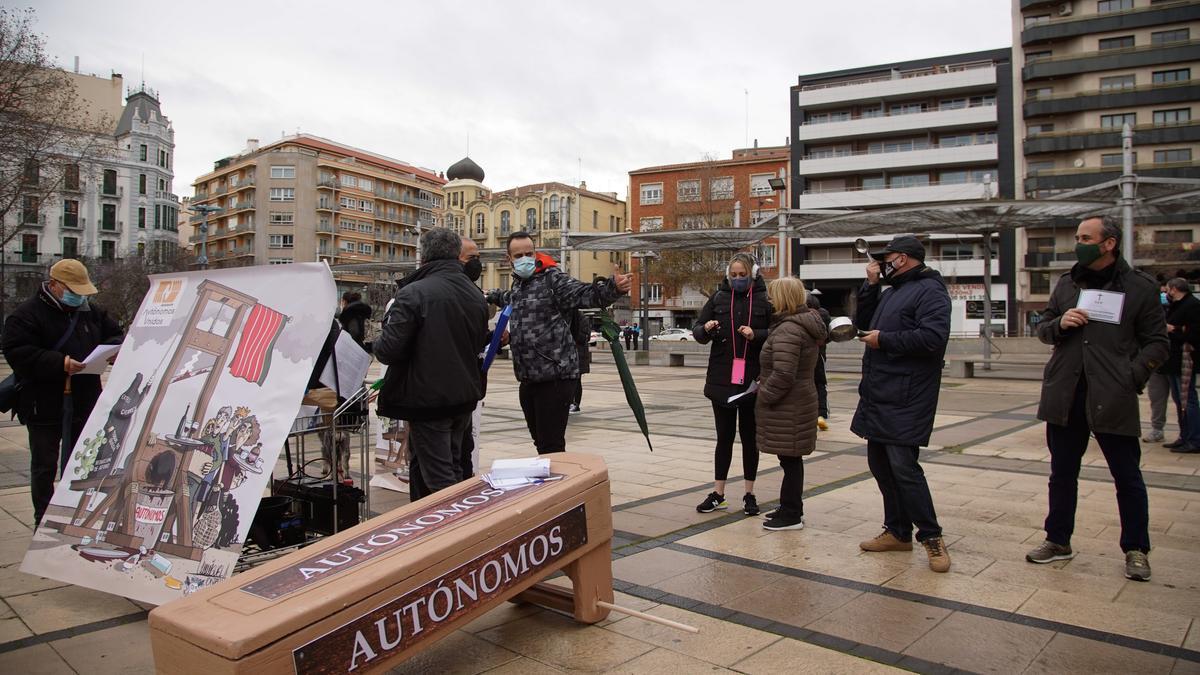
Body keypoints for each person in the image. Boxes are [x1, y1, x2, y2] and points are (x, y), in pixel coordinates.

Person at [1028, 215, 1167, 582]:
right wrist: (1059, 324)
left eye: (1085, 237)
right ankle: (1058, 540)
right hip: (1066, 393)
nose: (1078, 242)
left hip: (1113, 395)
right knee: (1061, 473)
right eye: (1076, 236)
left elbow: (1158, 343)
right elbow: (1043, 328)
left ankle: (1136, 548)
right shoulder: (1066, 284)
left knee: (1127, 476)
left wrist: (1131, 377)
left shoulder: (1140, 288)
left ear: (1109, 243)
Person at [852, 235, 952, 573]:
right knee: (880, 464)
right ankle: (897, 531)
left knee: (904, 468)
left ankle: (932, 537)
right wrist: (870, 286)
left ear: (904, 259)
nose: (883, 263)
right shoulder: (892, 291)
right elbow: (864, 325)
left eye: (888, 258)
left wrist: (886, 340)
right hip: (880, 391)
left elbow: (933, 339)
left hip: (908, 395)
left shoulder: (930, 291)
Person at [2, 259, 123, 526]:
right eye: (73, 290)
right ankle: (43, 520)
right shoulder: (26, 314)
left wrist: (114, 351)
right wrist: (60, 363)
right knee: (44, 466)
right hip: (43, 404)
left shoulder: (90, 311)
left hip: (84, 400)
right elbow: (17, 352)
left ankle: (75, 515)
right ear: (54, 285)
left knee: (82, 461)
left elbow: (115, 335)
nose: (79, 297)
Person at [486, 231, 630, 454]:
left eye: (529, 253)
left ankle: (559, 484)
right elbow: (509, 300)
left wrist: (613, 288)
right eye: (518, 255)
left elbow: (584, 293)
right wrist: (490, 296)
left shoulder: (552, 279)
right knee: (540, 443)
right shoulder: (518, 286)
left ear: (536, 253)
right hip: (528, 377)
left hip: (555, 377)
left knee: (550, 446)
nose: (524, 259)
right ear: (509, 259)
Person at [375, 228, 488, 499]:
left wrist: (379, 338)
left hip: (427, 400)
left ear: (424, 255)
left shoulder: (413, 293)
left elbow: (388, 350)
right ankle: (425, 525)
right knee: (451, 465)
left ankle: (457, 531)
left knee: (440, 479)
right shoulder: (475, 294)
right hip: (462, 396)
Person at [693, 253, 772, 516]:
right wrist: (707, 329)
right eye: (734, 275)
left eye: (743, 275)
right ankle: (719, 493)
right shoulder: (718, 298)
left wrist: (756, 334)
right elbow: (698, 331)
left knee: (750, 438)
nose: (738, 279)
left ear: (753, 274)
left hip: (752, 379)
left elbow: (777, 331)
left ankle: (749, 493)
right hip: (722, 379)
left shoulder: (765, 298)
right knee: (723, 438)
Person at [756, 277, 828, 531]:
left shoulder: (789, 329)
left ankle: (791, 514)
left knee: (790, 459)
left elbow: (784, 374)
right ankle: (790, 506)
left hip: (790, 405)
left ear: (783, 298)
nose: (769, 300)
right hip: (798, 400)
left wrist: (763, 393)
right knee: (790, 459)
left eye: (773, 295)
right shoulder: (800, 324)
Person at [1162, 278, 1200, 453]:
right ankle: (1184, 436)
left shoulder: (1192, 305)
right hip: (1173, 359)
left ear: (1175, 289)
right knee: (1179, 400)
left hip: (1185, 358)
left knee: (1188, 399)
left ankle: (1194, 438)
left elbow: (1192, 333)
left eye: (1168, 289)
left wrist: (1173, 330)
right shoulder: (1177, 305)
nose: (1166, 292)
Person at [1142, 283, 1170, 443]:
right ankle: (1157, 428)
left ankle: (1189, 433)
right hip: (1157, 369)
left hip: (1176, 363)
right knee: (1156, 397)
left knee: (1186, 400)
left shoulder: (1185, 307)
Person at [806, 293, 832, 431]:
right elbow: (828, 336)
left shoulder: (800, 315)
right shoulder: (823, 314)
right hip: (820, 355)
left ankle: (808, 414)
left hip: (804, 355)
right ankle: (821, 414)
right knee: (820, 384)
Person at [570, 311, 590, 415]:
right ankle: (570, 403)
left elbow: (583, 337)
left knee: (576, 381)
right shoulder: (575, 316)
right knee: (571, 381)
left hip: (578, 354)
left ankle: (575, 404)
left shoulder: (580, 318)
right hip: (573, 354)